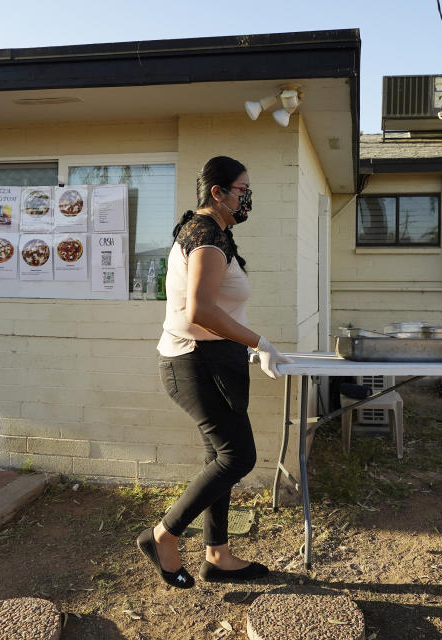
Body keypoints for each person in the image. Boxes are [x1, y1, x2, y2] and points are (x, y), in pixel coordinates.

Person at [136, 156, 293, 588]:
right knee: (237, 456)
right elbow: (200, 311)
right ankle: (162, 536)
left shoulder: (213, 233)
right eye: (242, 190)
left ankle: (217, 556)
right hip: (192, 362)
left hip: (206, 362)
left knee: (218, 456)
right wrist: (259, 342)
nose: (248, 198)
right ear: (218, 193)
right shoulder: (205, 236)